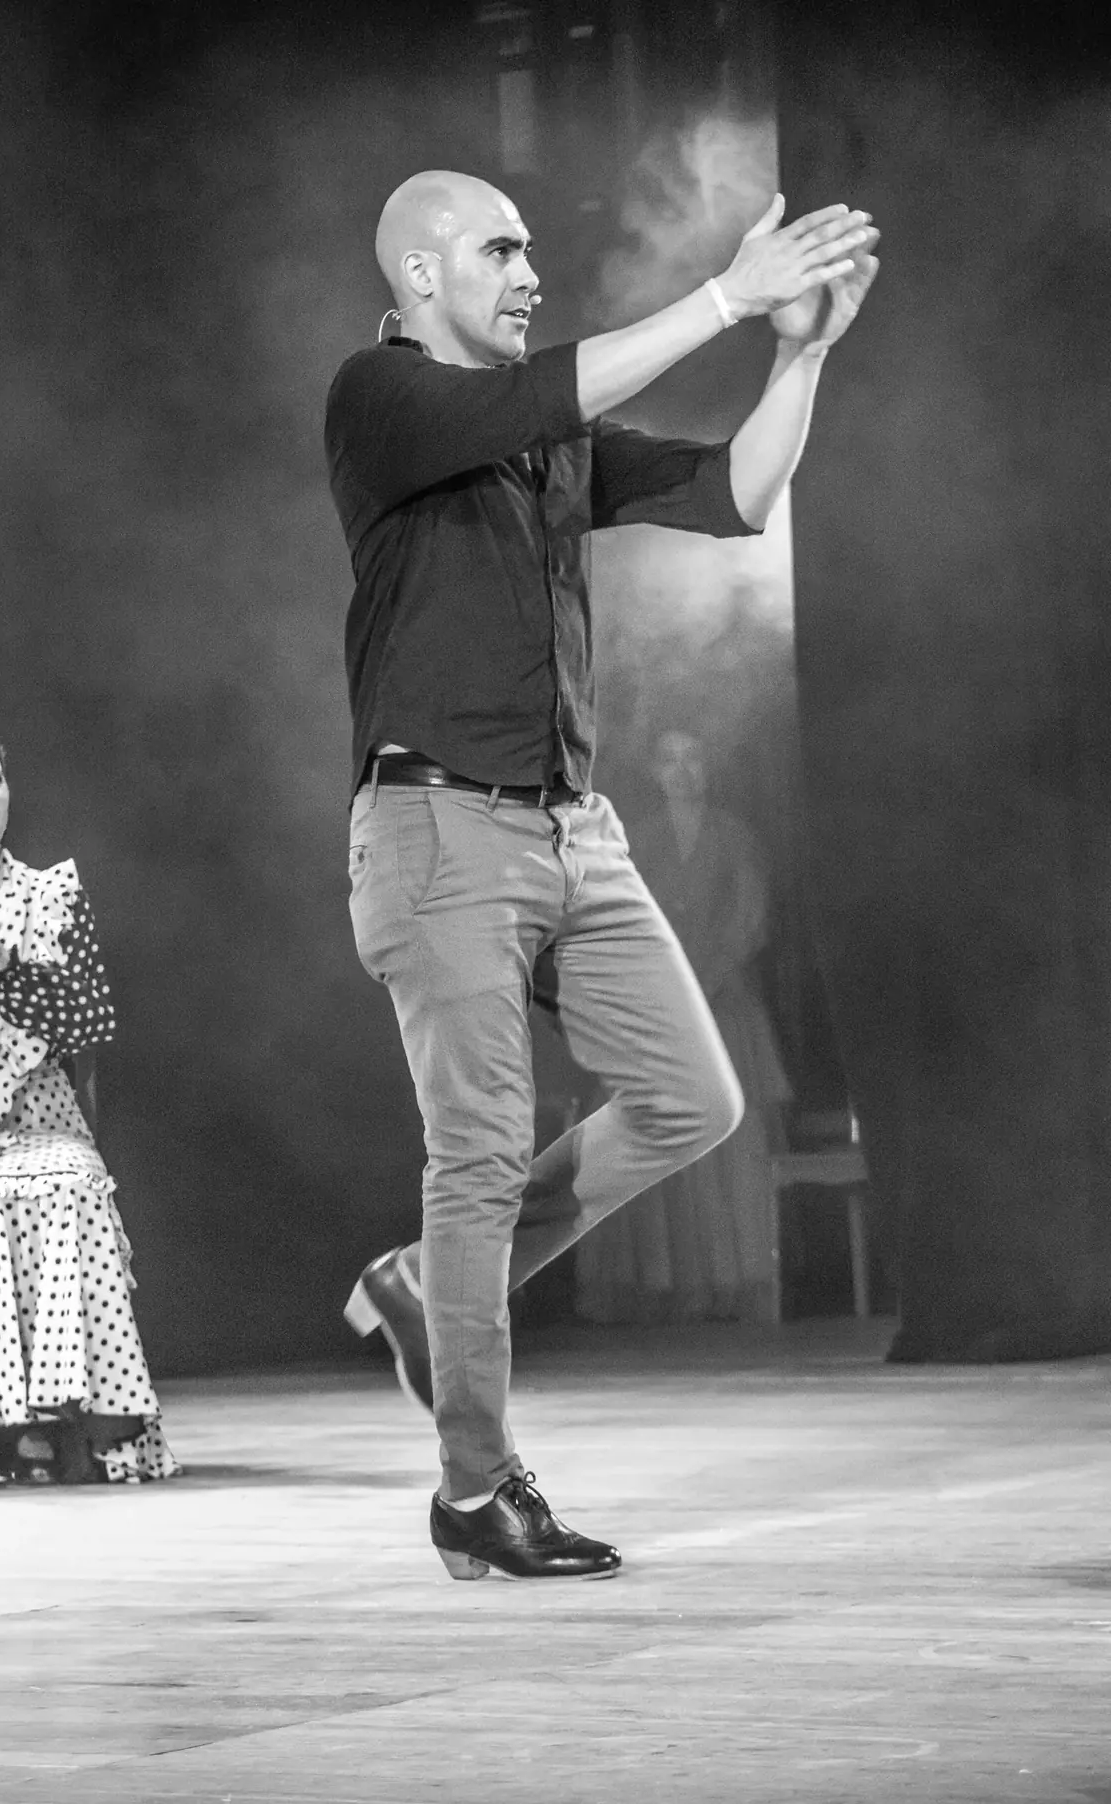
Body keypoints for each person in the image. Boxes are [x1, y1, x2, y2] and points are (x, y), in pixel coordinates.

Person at [325, 169, 878, 1580]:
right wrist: (723, 296)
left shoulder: (549, 440)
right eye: (502, 251)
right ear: (420, 277)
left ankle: (426, 1289)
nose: (529, 274)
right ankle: (473, 1490)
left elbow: (735, 493)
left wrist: (799, 348)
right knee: (483, 1151)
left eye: (529, 251)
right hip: (439, 831)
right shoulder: (378, 402)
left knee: (695, 1097)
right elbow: (535, 397)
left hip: (575, 830)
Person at [0, 723, 178, 1495]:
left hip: (33, 1119)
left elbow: (90, 1020)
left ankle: (39, 1422)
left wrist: (8, 966)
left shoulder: (51, 892)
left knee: (67, 1178)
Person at [576, 729, 791, 1326]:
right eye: (669, 760)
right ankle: (660, 1287)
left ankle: (731, 1284)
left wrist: (707, 976)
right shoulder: (636, 839)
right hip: (657, 1008)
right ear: (653, 770)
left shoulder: (733, 834)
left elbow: (751, 919)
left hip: (724, 1006)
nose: (682, 770)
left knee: (729, 1147)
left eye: (692, 758)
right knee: (649, 1133)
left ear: (707, 766)